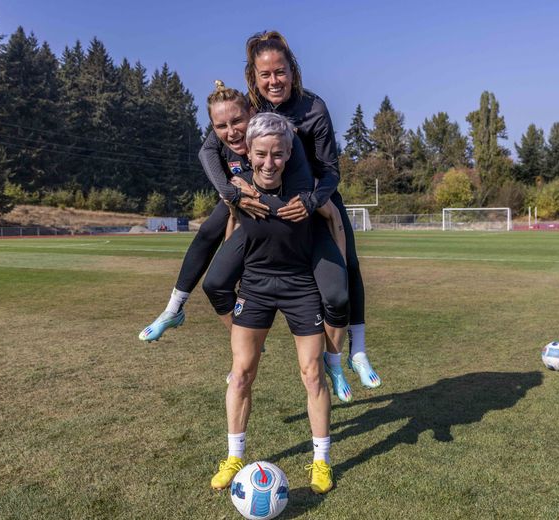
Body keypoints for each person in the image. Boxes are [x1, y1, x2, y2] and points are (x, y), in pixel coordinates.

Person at [141, 81, 355, 403]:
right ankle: (177, 310)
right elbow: (206, 151)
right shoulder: (225, 142)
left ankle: (342, 358)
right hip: (249, 218)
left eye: (237, 122)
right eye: (221, 126)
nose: (231, 132)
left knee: (339, 292)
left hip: (298, 228)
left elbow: (314, 196)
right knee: (209, 255)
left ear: (252, 115)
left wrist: (307, 201)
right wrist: (232, 193)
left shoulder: (279, 140)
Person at [243, 31, 381, 390]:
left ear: (293, 70)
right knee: (219, 271)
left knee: (346, 271)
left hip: (315, 205)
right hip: (265, 208)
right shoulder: (249, 109)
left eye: (280, 71)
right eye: (265, 74)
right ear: (253, 76)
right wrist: (235, 189)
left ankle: (356, 352)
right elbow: (221, 146)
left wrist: (312, 201)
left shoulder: (313, 108)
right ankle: (235, 359)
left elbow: (331, 171)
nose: (274, 80)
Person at [210, 112, 334, 494]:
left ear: (287, 153)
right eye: (261, 154)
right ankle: (234, 457)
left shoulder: (306, 189)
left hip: (300, 286)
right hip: (256, 287)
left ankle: (321, 462)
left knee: (313, 374)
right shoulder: (238, 188)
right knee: (242, 373)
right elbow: (233, 227)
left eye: (277, 155)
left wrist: (341, 277)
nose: (268, 163)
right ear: (248, 152)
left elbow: (334, 221)